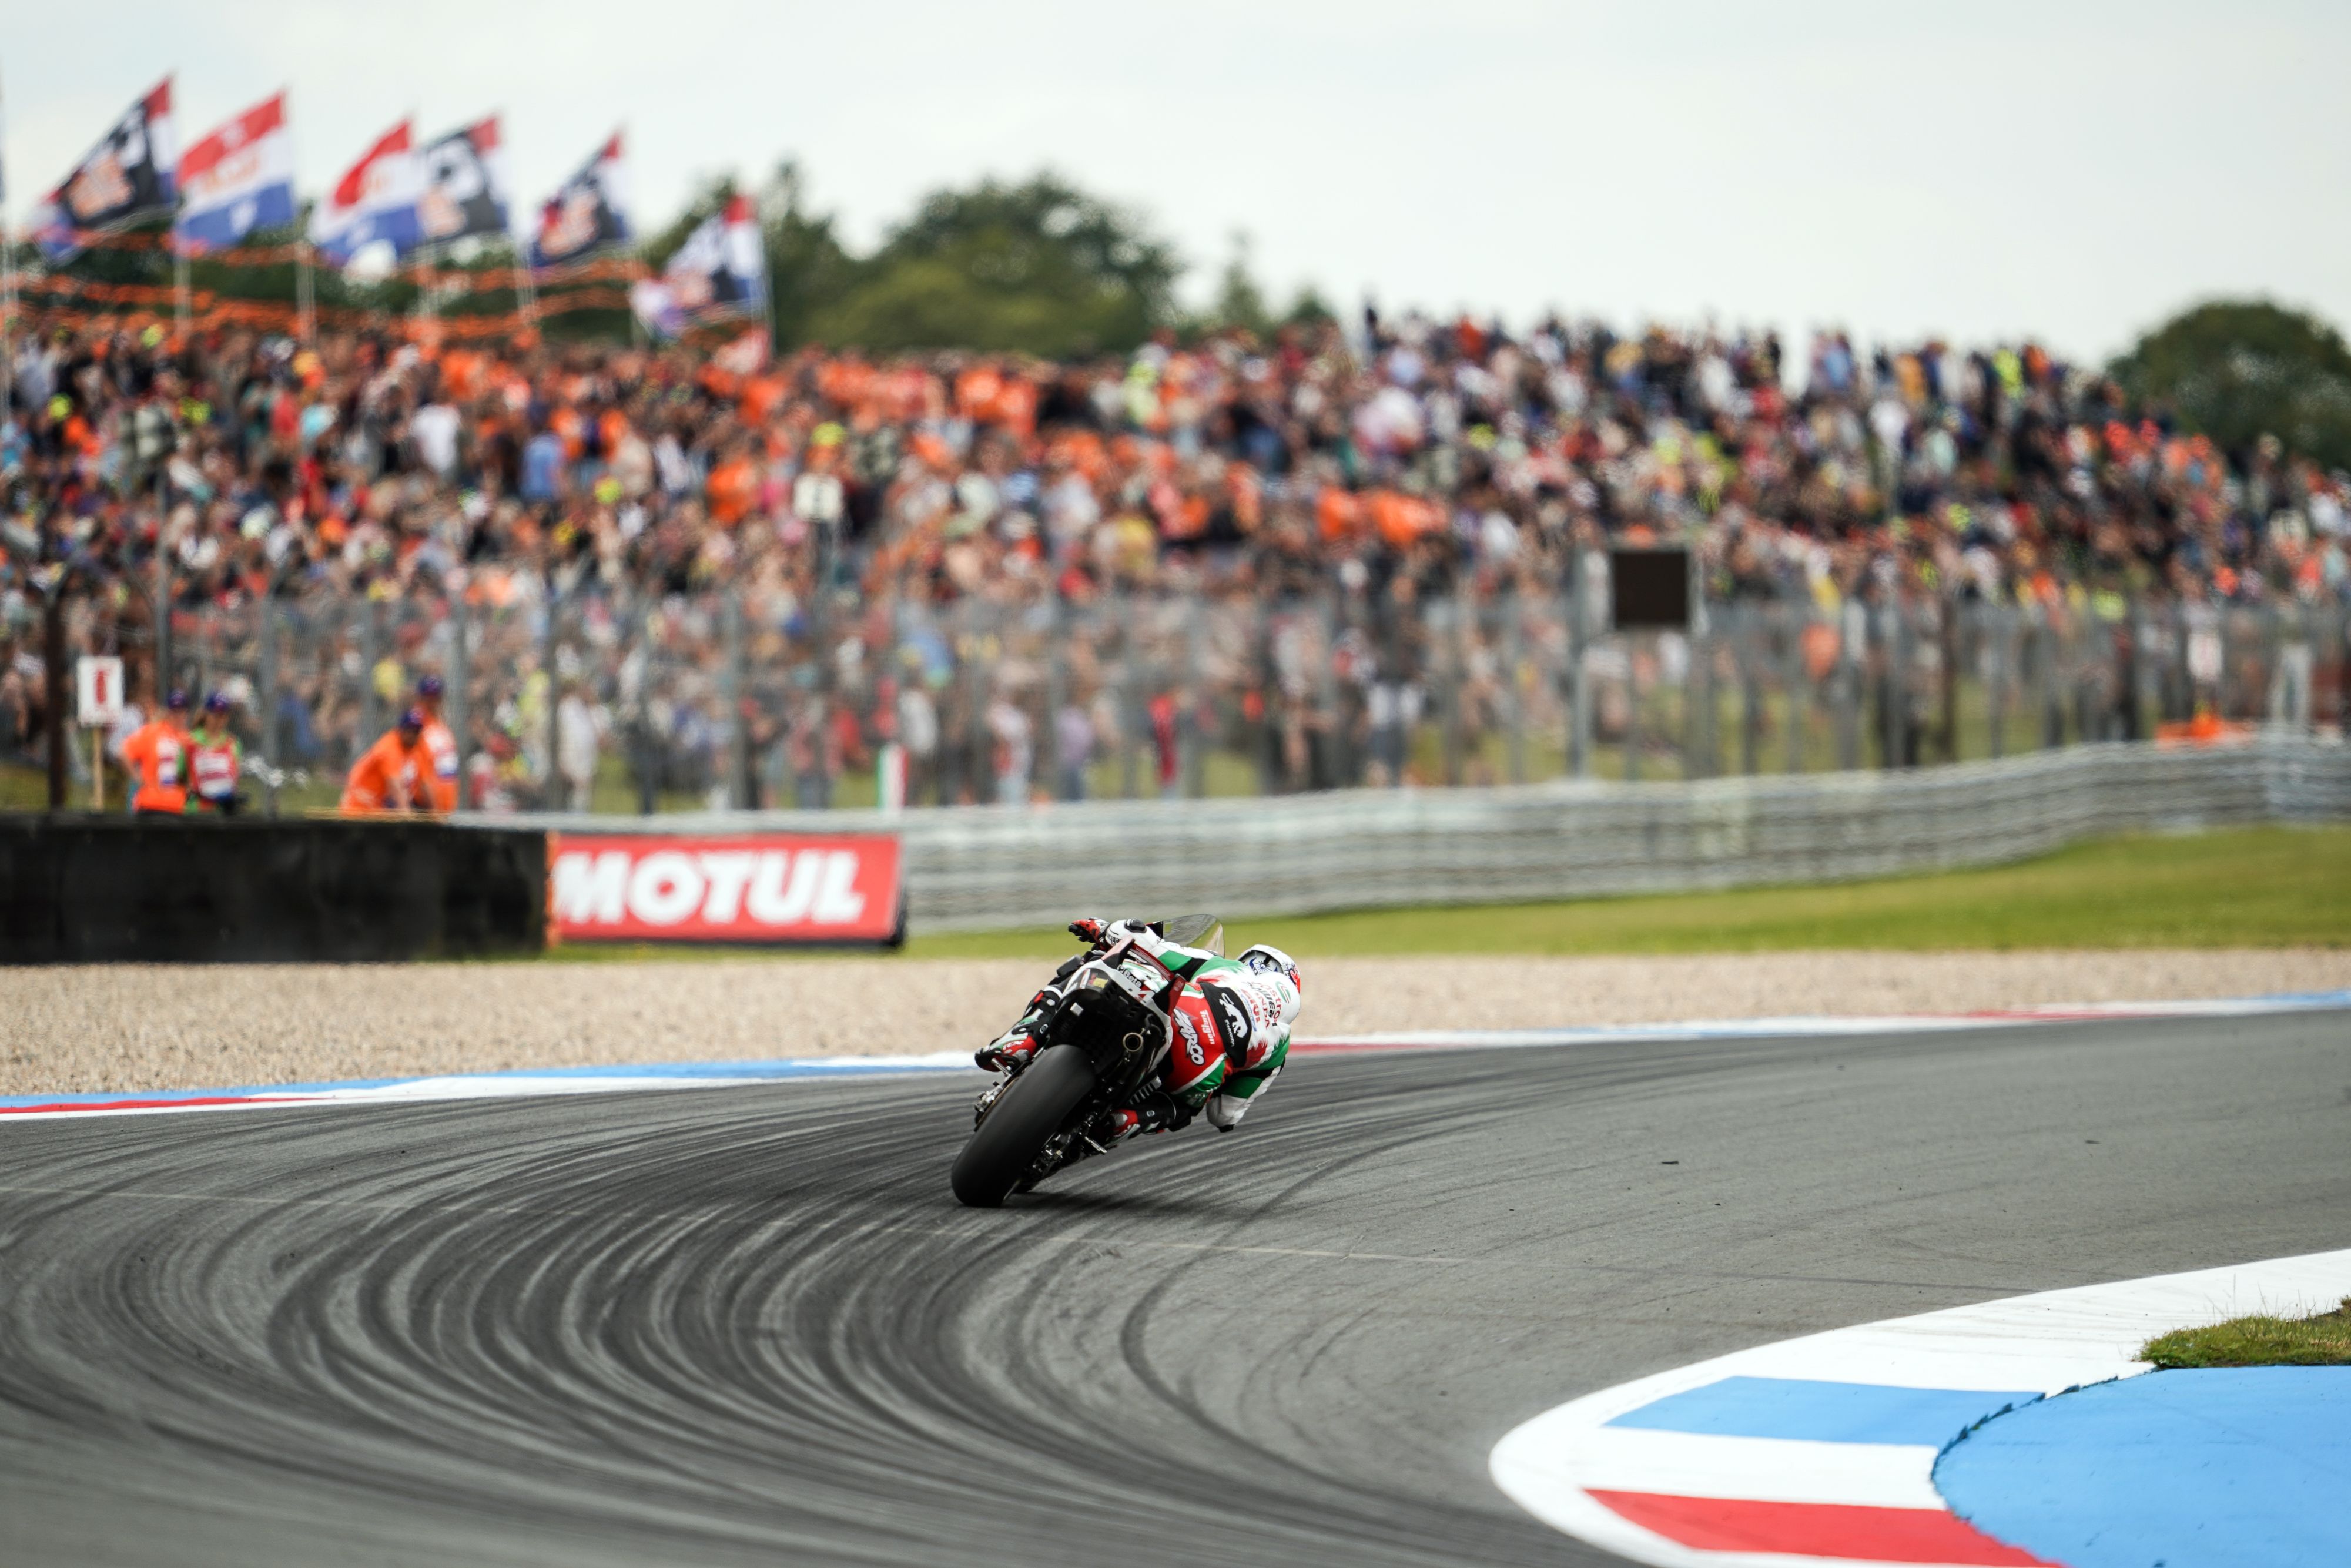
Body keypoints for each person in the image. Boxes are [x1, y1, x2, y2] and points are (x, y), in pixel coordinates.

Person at [976, 917, 1302, 1140]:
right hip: (1199, 1068)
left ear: (1250, 963)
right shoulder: (1280, 1047)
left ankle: (1023, 1039)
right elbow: (1224, 1117)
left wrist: (1102, 929)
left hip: (1180, 1013)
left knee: (1089, 964)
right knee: (1183, 1108)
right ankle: (1128, 1121)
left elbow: (1146, 942)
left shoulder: (1228, 968)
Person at [340, 708, 438, 815]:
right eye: (410, 731)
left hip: (378, 807)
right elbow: (395, 786)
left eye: (417, 732)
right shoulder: (389, 748)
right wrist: (406, 814)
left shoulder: (416, 750)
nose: (414, 736)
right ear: (401, 730)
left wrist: (435, 816)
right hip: (358, 808)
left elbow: (425, 784)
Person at [119, 689, 193, 817]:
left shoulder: (188, 739)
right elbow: (124, 752)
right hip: (151, 804)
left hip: (178, 806)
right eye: (174, 711)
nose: (178, 716)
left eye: (181, 711)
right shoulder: (153, 732)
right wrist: (136, 776)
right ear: (168, 712)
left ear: (187, 713)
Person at [188, 692, 245, 815]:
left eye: (224, 715)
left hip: (223, 810)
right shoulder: (191, 741)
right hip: (198, 810)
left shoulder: (233, 743)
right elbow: (181, 776)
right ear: (206, 714)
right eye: (216, 715)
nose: (220, 720)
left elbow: (234, 777)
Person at [414, 675, 461, 813]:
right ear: (420, 698)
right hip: (425, 808)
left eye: (437, 697)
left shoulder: (442, 727)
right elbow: (418, 772)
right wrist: (433, 808)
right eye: (428, 697)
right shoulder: (416, 727)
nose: (433, 702)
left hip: (446, 806)